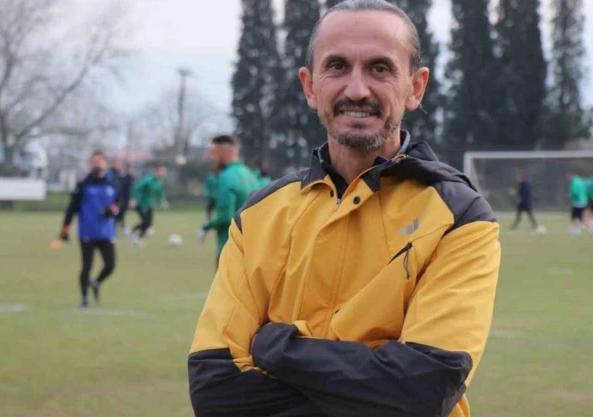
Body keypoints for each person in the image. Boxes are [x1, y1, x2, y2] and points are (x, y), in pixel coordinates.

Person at [188, 2, 501, 417]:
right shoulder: (259, 215)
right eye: (337, 66)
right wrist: (368, 378)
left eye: (380, 68)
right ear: (310, 86)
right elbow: (215, 389)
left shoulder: (459, 217)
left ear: (415, 87)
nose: (356, 90)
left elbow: (423, 391)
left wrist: (276, 349)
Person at [59, 152, 119, 308]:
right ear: (90, 164)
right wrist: (65, 228)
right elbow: (72, 207)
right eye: (94, 161)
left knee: (111, 265)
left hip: (106, 231)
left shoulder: (112, 184)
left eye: (100, 161)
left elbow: (119, 203)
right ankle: (84, 298)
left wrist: (112, 210)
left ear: (105, 164)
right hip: (87, 232)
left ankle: (96, 283)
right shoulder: (83, 185)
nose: (97, 164)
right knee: (87, 266)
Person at [199, 135, 258, 268]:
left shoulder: (226, 177)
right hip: (251, 249)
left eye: (214, 152)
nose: (211, 157)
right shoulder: (250, 175)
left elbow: (226, 217)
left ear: (224, 152)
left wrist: (208, 225)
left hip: (230, 247)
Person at [129, 166, 169, 247]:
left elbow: (161, 193)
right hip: (141, 204)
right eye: (162, 172)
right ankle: (134, 234)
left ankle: (134, 234)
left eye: (164, 172)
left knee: (149, 224)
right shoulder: (149, 180)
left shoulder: (159, 182)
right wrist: (133, 199)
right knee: (145, 222)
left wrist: (163, 201)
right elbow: (136, 187)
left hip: (150, 205)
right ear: (157, 171)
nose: (163, 174)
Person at [118, 163, 135, 235]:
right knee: (122, 214)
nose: (129, 170)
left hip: (131, 199)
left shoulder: (133, 178)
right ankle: (123, 228)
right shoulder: (122, 178)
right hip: (123, 199)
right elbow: (121, 189)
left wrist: (132, 199)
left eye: (131, 169)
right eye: (128, 169)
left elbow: (134, 189)